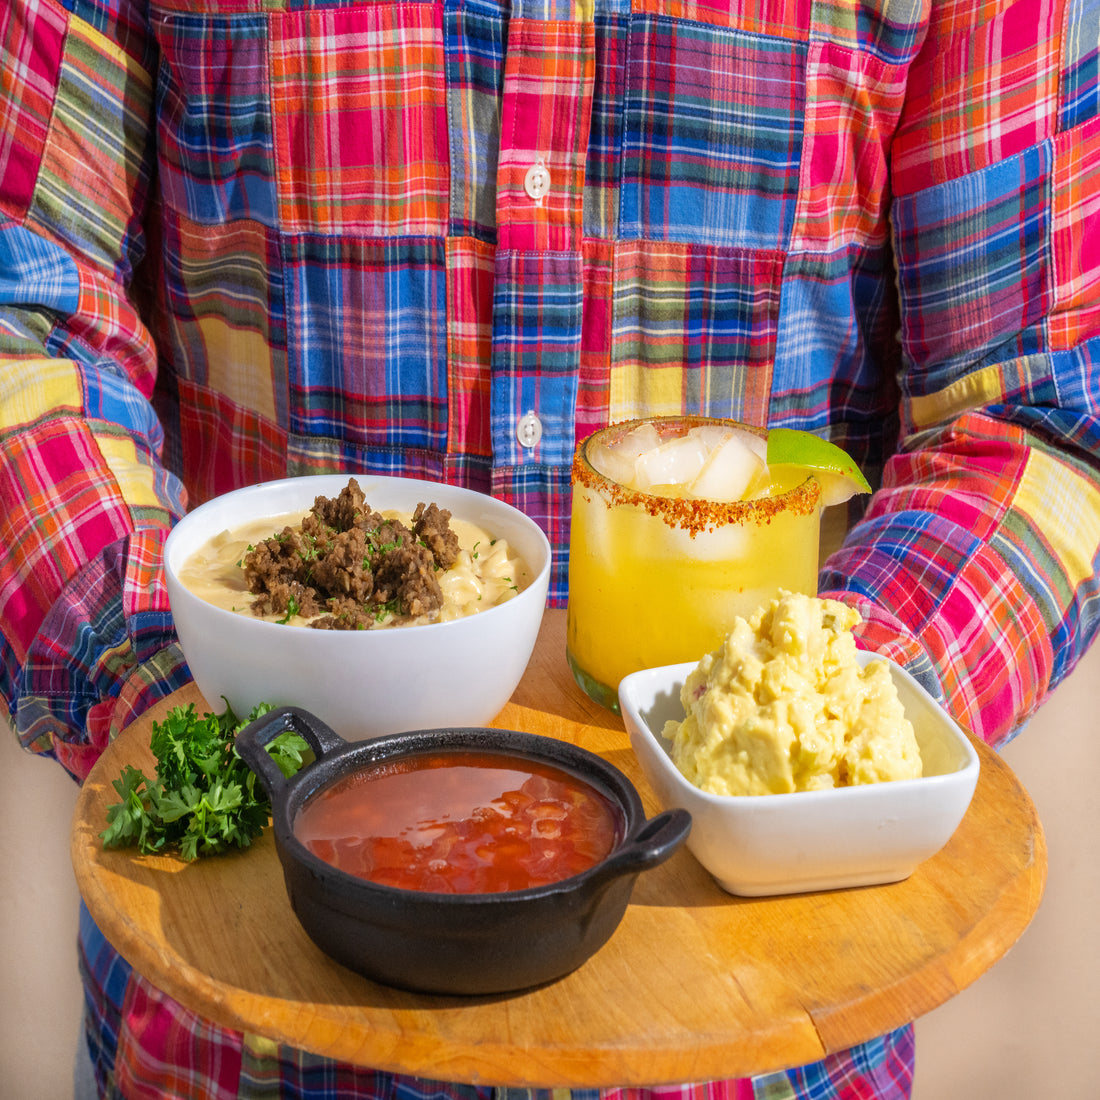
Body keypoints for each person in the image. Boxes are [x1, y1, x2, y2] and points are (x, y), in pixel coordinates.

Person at [2, 0, 1098, 1095]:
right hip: (242, 1041)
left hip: (759, 1029)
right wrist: (197, 726)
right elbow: (25, 324)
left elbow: (1035, 416)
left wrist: (820, 738)